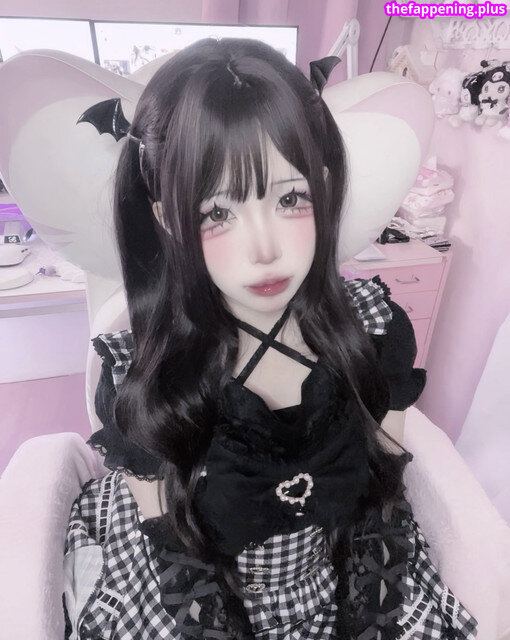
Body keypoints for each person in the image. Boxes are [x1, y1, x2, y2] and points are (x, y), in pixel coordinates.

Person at [62, 37, 478, 639]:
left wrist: (368, 621)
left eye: (290, 198)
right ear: (168, 219)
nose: (265, 250)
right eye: (217, 213)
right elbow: (178, 564)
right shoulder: (139, 376)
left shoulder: (375, 332)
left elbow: (381, 503)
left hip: (338, 586)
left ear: (323, 187)